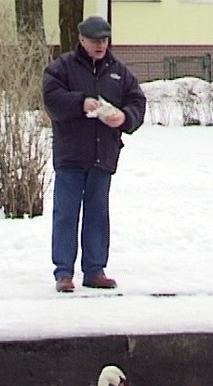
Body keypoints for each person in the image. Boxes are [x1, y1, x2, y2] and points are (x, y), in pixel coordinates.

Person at [43, 16, 147, 293]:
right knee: (66, 213)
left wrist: (124, 118)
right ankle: (64, 272)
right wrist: (81, 102)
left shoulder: (119, 71)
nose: (100, 45)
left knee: (97, 213)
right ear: (81, 40)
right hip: (71, 154)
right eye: (94, 40)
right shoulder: (62, 67)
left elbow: (137, 101)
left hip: (104, 154)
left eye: (104, 40)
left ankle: (95, 269)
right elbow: (51, 99)